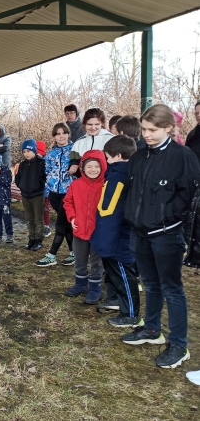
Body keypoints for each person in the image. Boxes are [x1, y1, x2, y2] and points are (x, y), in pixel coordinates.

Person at [121, 103, 200, 369]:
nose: (147, 135)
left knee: (171, 288)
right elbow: (132, 190)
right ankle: (152, 329)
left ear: (168, 128)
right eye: (144, 129)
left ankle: (178, 344)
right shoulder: (140, 155)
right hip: (140, 232)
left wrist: (166, 216)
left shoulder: (183, 156)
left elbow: (188, 195)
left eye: (153, 130)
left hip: (166, 234)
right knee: (151, 284)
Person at [90, 135, 142, 327]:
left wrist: (104, 238)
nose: (106, 161)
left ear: (118, 156)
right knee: (113, 273)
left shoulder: (119, 177)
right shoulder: (121, 174)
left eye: (108, 157)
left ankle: (131, 314)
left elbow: (109, 211)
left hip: (117, 237)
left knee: (124, 276)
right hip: (112, 235)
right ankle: (115, 300)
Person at [63, 150, 107, 304]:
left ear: (103, 167)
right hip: (79, 230)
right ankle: (81, 284)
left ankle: (95, 288)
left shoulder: (106, 185)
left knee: (97, 261)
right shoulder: (76, 184)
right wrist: (72, 217)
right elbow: (68, 202)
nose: (93, 169)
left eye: (97, 166)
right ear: (82, 168)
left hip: (98, 233)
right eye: (89, 166)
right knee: (80, 259)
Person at [35, 123, 76, 267]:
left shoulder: (75, 150)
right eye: (58, 134)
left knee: (60, 224)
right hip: (54, 193)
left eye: (64, 133)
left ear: (68, 134)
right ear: (54, 136)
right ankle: (74, 252)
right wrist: (48, 190)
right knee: (66, 224)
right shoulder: (50, 154)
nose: (61, 136)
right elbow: (47, 172)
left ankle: (51, 255)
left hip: (69, 193)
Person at [15, 139, 46, 251]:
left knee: (38, 219)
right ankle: (31, 239)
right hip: (25, 195)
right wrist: (21, 186)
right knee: (29, 219)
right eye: (24, 152)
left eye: (28, 151)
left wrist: (38, 186)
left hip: (37, 195)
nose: (26, 154)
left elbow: (45, 177)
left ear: (34, 150)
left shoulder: (41, 163)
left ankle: (38, 240)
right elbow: (18, 178)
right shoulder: (22, 165)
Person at [69, 108, 114, 176]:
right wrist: (74, 164)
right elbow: (74, 161)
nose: (93, 127)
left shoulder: (111, 139)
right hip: (85, 180)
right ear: (84, 124)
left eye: (97, 124)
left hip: (106, 179)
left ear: (102, 123)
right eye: (90, 124)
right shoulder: (79, 142)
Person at [36, 140, 52, 238]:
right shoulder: (32, 161)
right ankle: (38, 226)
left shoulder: (47, 160)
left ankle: (46, 226)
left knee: (45, 209)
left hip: (45, 190)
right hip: (36, 191)